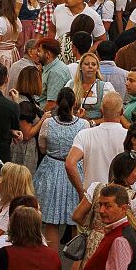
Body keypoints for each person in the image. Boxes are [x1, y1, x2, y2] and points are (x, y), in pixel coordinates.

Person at [35, 88, 88, 241]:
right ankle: (75, 260)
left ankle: (51, 260)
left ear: (57, 103)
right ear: (75, 104)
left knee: (51, 220)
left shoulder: (48, 123)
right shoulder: (83, 124)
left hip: (50, 169)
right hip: (75, 171)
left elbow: (42, 147)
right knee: (75, 220)